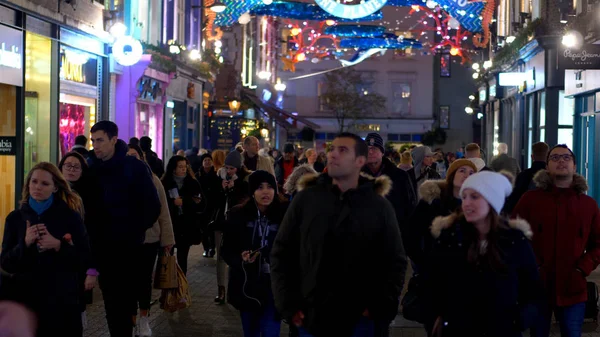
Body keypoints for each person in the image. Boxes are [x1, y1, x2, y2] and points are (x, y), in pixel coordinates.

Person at [271, 132, 407, 337]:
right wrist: (289, 304)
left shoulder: (378, 205)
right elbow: (282, 252)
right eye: (331, 149)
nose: (333, 155)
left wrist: (381, 305)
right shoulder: (306, 200)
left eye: (342, 150)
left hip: (361, 318)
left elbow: (395, 260)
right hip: (311, 315)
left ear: (360, 161)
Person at [427, 171, 542, 337]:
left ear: (492, 201)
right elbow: (432, 282)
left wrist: (518, 320)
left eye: (474, 197)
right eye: (464, 197)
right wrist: (435, 318)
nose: (466, 203)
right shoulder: (450, 237)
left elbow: (532, 289)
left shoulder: (514, 241)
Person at [512, 144, 600, 337]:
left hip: (573, 287)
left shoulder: (588, 205)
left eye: (566, 158)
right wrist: (531, 267)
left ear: (575, 167)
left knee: (571, 332)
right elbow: (514, 236)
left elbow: (598, 244)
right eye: (555, 157)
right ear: (547, 166)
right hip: (537, 286)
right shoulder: (530, 200)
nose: (561, 161)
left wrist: (582, 268)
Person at [87, 121, 161, 336]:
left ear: (113, 139)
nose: (96, 146)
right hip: (102, 249)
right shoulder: (93, 168)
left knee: (125, 304)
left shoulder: (134, 168)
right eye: (93, 141)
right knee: (111, 305)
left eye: (100, 140)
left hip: (128, 250)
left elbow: (153, 207)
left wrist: (132, 230)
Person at [1, 162, 90, 337]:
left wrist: (58, 245)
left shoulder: (69, 217)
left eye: (44, 183)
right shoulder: (15, 218)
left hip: (61, 303)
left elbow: (84, 257)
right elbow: (6, 262)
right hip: (26, 302)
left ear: (55, 187)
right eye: (34, 182)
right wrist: (24, 244)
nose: (37, 187)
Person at [222, 171, 287, 337]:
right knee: (250, 331)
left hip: (274, 285)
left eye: (270, 187)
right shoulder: (238, 214)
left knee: (271, 330)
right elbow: (226, 250)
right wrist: (240, 259)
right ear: (252, 191)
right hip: (247, 286)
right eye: (260, 188)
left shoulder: (285, 214)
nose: (266, 192)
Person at [126, 145, 175, 337]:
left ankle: (144, 319)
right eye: (127, 156)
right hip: (125, 240)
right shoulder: (119, 179)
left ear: (142, 157)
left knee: (143, 281)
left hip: (149, 239)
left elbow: (163, 212)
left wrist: (167, 240)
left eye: (134, 156)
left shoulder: (153, 180)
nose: (131, 160)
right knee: (128, 281)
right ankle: (130, 320)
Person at [406, 159, 477, 270]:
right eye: (462, 171)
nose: (467, 175)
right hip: (434, 273)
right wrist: (423, 263)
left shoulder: (477, 206)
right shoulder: (431, 202)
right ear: (452, 175)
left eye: (471, 173)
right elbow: (411, 235)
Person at [58, 152, 102, 328]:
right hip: (56, 257)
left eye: (76, 166)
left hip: (80, 258)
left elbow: (95, 233)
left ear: (83, 170)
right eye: (67, 165)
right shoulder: (51, 191)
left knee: (77, 306)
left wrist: (92, 269)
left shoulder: (91, 194)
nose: (71, 169)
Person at [362, 132, 417, 245]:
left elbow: (410, 206)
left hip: (393, 236)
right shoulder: (356, 176)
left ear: (382, 152)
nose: (371, 151)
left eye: (375, 148)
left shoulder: (399, 176)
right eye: (368, 148)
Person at [214, 151, 251, 304]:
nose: (228, 171)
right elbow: (213, 201)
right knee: (220, 257)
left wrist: (234, 188)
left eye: (232, 168)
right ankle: (221, 290)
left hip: (236, 225)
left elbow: (245, 204)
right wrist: (222, 190)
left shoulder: (245, 181)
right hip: (221, 222)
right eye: (227, 167)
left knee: (235, 257)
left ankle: (235, 289)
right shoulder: (218, 178)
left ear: (238, 167)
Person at [161, 155, 204, 275]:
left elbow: (201, 203)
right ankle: (168, 289)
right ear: (173, 168)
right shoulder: (165, 183)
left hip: (186, 226)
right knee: (167, 259)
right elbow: (160, 203)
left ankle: (181, 288)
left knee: (182, 259)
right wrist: (172, 203)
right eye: (180, 167)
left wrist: (184, 201)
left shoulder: (192, 183)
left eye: (185, 167)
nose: (183, 169)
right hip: (170, 225)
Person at [503, 142, 549, 213]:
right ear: (548, 157)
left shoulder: (523, 176)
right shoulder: (552, 177)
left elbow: (514, 200)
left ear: (532, 157)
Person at [198, 153, 219, 258]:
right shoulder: (198, 175)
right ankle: (206, 248)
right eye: (205, 160)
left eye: (209, 160)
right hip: (201, 206)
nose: (207, 162)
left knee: (211, 227)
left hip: (212, 205)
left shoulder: (216, 175)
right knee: (203, 228)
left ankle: (212, 247)